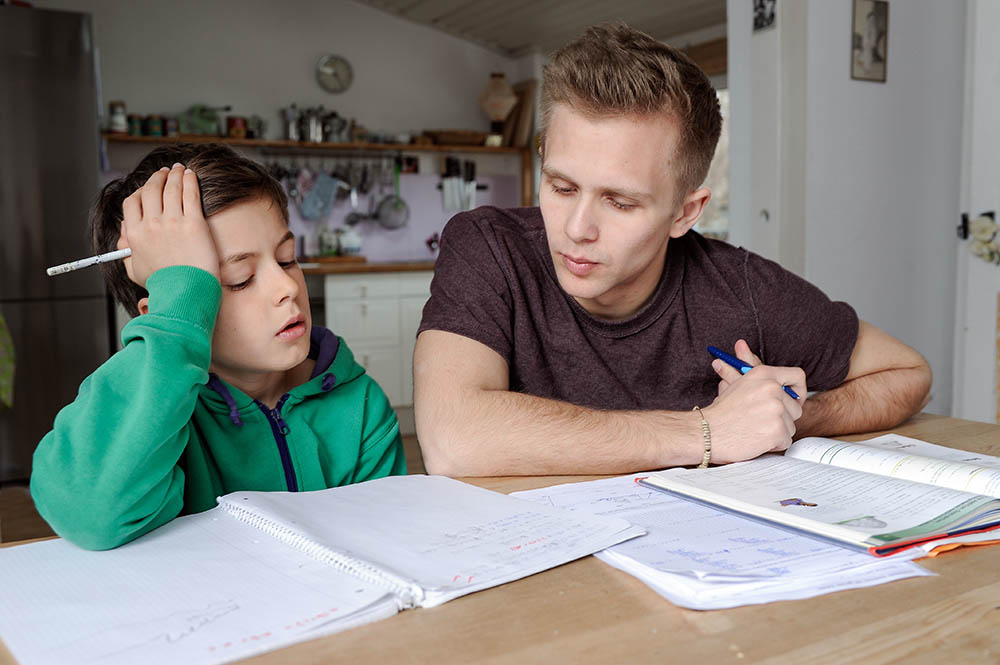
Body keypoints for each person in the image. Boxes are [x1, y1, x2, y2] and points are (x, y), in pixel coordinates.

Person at [414, 23, 931, 477]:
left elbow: (908, 374)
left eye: (619, 202)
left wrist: (784, 418)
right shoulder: (487, 245)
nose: (577, 228)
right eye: (562, 187)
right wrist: (707, 432)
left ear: (686, 212)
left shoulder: (740, 287)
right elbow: (452, 438)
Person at [31, 144, 405, 550]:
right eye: (240, 279)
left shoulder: (358, 404)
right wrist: (178, 306)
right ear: (173, 308)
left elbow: (388, 541)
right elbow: (89, 513)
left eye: (287, 258)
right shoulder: (163, 421)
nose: (288, 288)